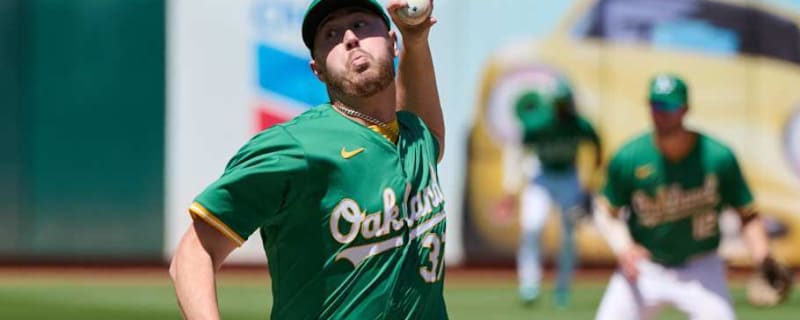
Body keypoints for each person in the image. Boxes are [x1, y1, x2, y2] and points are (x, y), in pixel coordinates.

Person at [169, 0, 447, 318]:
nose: (349, 38)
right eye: (331, 35)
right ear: (318, 69)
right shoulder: (296, 147)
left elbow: (431, 136)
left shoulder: (414, 136)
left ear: (391, 41)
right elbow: (194, 252)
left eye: (360, 24)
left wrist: (416, 40)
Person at [593, 73, 772, 320]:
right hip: (645, 267)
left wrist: (762, 256)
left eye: (670, 105)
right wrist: (623, 247)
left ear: (685, 109)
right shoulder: (629, 157)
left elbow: (748, 214)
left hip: (701, 269)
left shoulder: (717, 157)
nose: (661, 113)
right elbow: (605, 211)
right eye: (656, 105)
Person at [497, 76, 602, 307]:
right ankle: (529, 286)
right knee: (532, 226)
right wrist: (511, 190)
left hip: (567, 176)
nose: (563, 109)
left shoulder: (579, 124)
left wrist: (591, 180)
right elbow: (517, 152)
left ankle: (562, 289)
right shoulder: (539, 124)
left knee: (568, 235)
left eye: (566, 103)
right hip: (542, 174)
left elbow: (596, 145)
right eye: (559, 104)